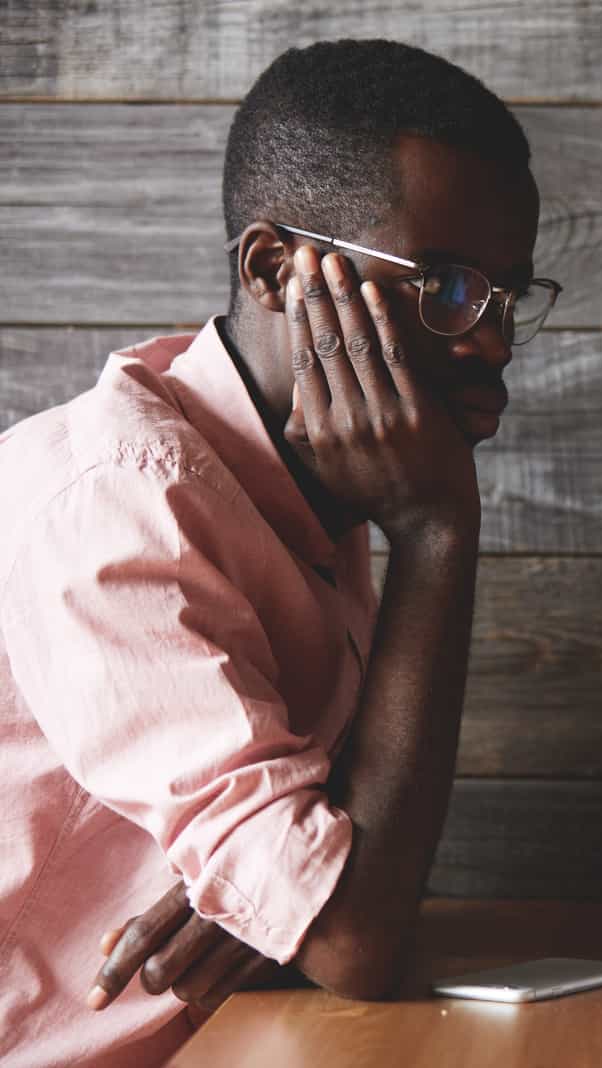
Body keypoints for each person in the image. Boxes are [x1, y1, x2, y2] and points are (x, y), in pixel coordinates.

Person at [0, 40, 559, 1067]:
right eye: (442, 288)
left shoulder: (297, 481)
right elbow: (351, 935)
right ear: (273, 269)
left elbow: (332, 901)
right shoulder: (124, 507)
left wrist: (285, 889)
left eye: (508, 294)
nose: (491, 342)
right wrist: (438, 534)